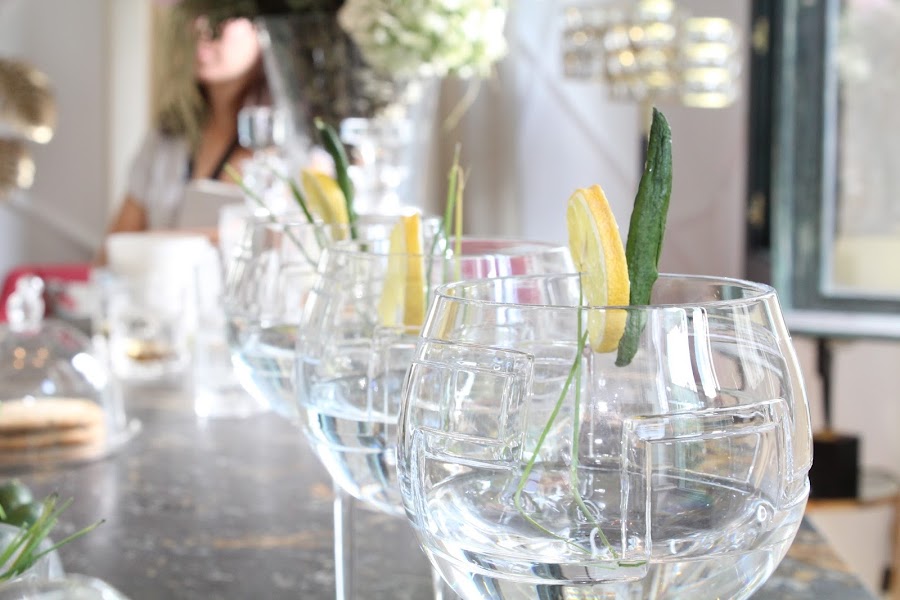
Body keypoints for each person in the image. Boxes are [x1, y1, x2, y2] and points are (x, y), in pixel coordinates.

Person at [96, 10, 268, 261]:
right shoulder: (167, 135)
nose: (200, 25)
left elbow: (274, 241)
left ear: (264, 28)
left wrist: (154, 241)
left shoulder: (290, 145)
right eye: (195, 11)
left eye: (222, 13)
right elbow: (112, 252)